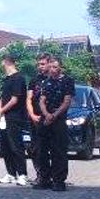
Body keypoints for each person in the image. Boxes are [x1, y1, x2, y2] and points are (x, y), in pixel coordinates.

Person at [36, 57, 75, 192]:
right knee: (41, 150)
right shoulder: (45, 82)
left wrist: (54, 115)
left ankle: (58, 181)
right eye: (50, 67)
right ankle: (44, 179)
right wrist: (46, 115)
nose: (52, 70)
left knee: (58, 151)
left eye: (55, 67)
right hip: (45, 119)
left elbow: (66, 101)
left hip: (58, 120)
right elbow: (41, 101)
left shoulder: (67, 81)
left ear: (60, 68)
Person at [0, 55, 30, 186]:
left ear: (5, 62)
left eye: (1, 62)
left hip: (15, 117)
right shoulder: (6, 79)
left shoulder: (18, 78)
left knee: (16, 146)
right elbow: (3, 98)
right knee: (5, 146)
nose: (1, 65)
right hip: (3, 118)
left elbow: (14, 100)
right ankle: (10, 174)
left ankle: (22, 174)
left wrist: (2, 111)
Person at [25, 52, 53, 187]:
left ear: (49, 63)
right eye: (38, 64)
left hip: (51, 119)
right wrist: (32, 115)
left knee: (53, 149)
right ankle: (41, 176)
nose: (39, 67)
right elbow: (29, 99)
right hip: (36, 119)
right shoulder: (34, 80)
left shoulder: (54, 79)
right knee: (36, 149)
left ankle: (54, 177)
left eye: (42, 64)